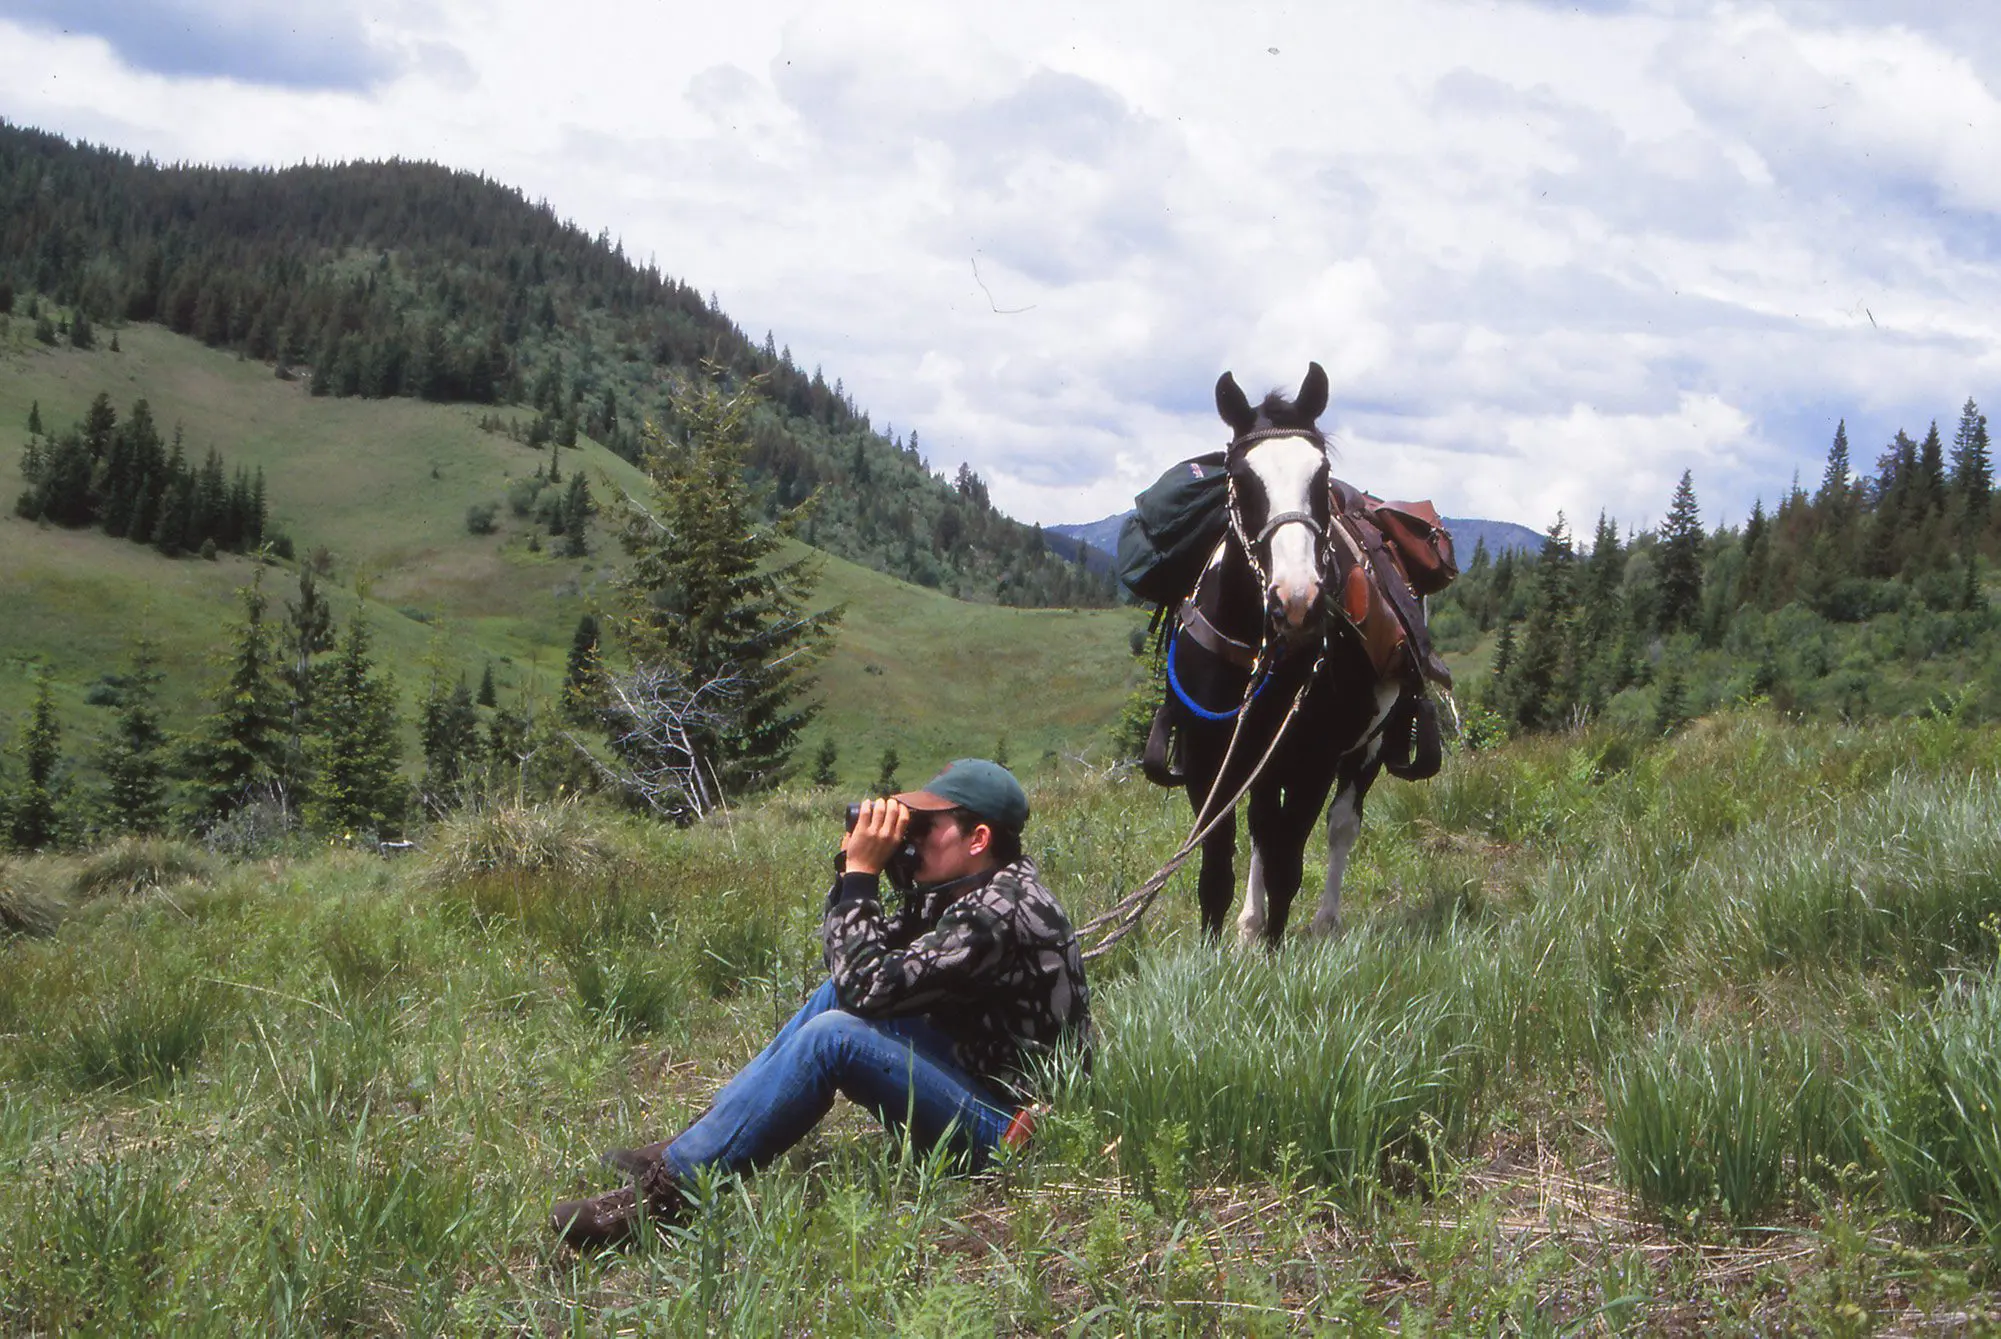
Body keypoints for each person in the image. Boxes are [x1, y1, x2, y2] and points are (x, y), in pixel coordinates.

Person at [551, 758, 1093, 1248]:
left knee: (831, 1035)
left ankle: (662, 1200)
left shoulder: (996, 910)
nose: (916, 838)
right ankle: (698, 1142)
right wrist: (863, 873)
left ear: (978, 838)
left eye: (928, 828)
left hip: (1010, 1129)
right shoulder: (972, 888)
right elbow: (858, 969)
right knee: (832, 999)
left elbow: (870, 985)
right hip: (977, 1075)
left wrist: (862, 878)